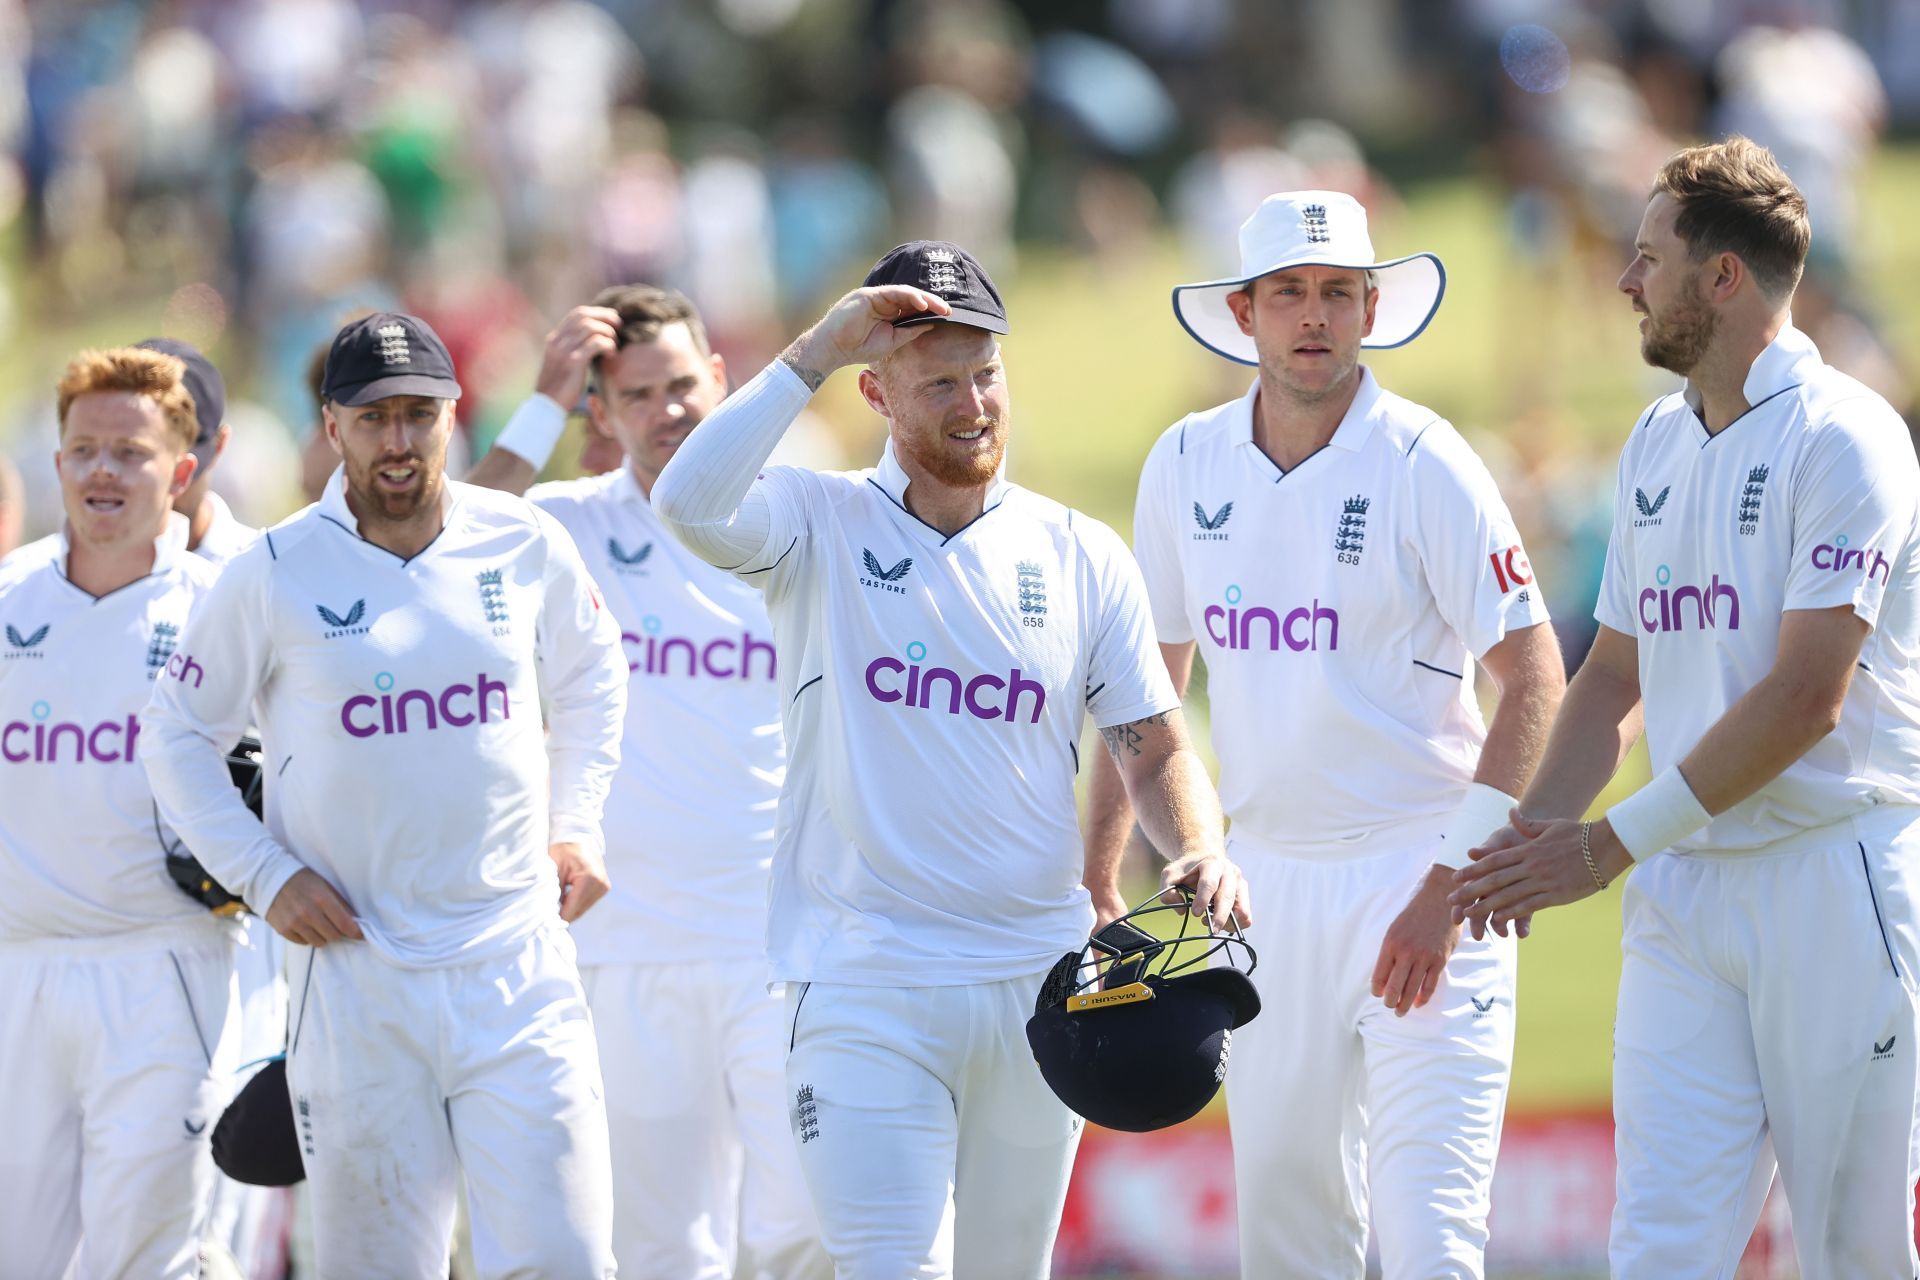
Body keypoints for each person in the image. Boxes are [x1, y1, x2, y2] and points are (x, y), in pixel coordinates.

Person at [650, 240, 1251, 1280]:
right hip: (862, 983)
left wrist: (1198, 845)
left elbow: (1152, 745)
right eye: (939, 381)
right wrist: (811, 352)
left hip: (1040, 985)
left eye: (986, 372)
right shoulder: (815, 522)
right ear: (877, 390)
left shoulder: (1079, 553)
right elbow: (686, 501)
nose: (973, 402)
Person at [1451, 137, 1920, 1278]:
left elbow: (1807, 698)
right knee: (1659, 1248)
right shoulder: (1657, 441)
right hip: (1683, 893)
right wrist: (1503, 853)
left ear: (1723, 278)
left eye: (1646, 257)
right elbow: (1616, 676)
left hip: (1835, 877)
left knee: (1853, 1251)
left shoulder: (1847, 435)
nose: (1622, 280)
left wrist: (1605, 846)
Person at [1086, 191, 1565, 1278]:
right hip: (1265, 886)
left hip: (1428, 866)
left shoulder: (1426, 459)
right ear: (1246, 313)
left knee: (1432, 1237)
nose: (1316, 316)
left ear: (1369, 308)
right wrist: (1103, 861)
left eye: (1339, 293)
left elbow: (1534, 671)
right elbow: (1147, 687)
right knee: (1290, 1237)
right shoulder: (1184, 462)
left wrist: (1453, 884)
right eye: (1291, 294)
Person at [141, 311, 628, 1279]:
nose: (399, 441)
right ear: (332, 427)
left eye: (420, 414)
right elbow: (175, 733)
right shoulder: (275, 567)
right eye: (374, 418)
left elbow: (592, 675)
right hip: (356, 976)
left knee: (568, 1259)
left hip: (516, 964)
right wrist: (265, 875)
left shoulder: (521, 539)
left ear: (453, 415)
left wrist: (576, 823)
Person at [469, 284, 829, 1279]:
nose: (669, 409)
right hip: (624, 950)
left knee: (804, 1225)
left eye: (683, 384)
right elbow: (446, 547)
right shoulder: (567, 524)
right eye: (637, 394)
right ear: (604, 414)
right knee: (663, 1245)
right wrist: (540, 399)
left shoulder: (801, 514)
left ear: (722, 379)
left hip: (781, 941)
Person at [0, 346, 234, 1279]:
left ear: (181, 473)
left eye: (130, 453)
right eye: (84, 449)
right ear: (55, 462)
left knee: (147, 1254)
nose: (103, 470)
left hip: (163, 973)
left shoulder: (231, 605)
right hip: (17, 972)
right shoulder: (7, 596)